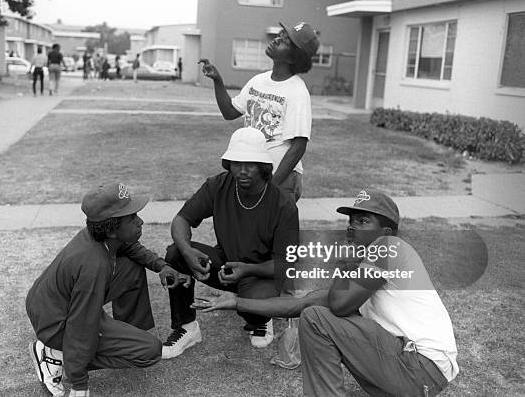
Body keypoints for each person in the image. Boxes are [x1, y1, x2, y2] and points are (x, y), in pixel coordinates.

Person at [193, 189, 459, 397]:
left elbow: (339, 305)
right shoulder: (362, 274)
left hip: (421, 369)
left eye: (364, 221)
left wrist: (344, 263)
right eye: (351, 220)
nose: (351, 227)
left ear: (386, 231)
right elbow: (300, 304)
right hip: (409, 371)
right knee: (314, 313)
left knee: (317, 318)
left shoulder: (390, 247)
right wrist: (237, 301)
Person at [26, 182, 191, 397]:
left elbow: (129, 246)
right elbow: (81, 326)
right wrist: (79, 383)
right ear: (112, 229)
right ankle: (53, 355)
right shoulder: (94, 266)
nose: (140, 221)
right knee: (149, 351)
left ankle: (121, 335)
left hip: (48, 302)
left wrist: (161, 266)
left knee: (132, 268)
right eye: (132, 218)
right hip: (57, 321)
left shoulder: (101, 234)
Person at [161, 127, 300, 360]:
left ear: (264, 166)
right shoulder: (218, 185)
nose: (242, 171)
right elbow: (181, 220)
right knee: (175, 254)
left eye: (250, 164)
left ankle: (262, 320)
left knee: (256, 307)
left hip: (261, 275)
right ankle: (187, 328)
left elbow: (286, 264)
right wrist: (187, 251)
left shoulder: (283, 204)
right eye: (236, 163)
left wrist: (248, 269)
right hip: (225, 267)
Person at [199, 21, 320, 202]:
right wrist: (218, 80)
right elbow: (230, 111)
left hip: (281, 178)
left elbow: (298, 146)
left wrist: (273, 185)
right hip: (254, 176)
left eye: (285, 41)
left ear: (295, 57)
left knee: (274, 230)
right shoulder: (258, 80)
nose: (277, 40)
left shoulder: (297, 91)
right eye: (280, 35)